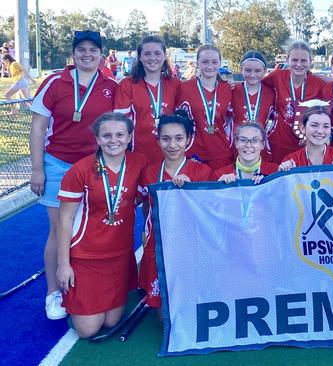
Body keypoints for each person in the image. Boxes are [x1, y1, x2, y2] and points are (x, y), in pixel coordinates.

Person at [29, 30, 118, 320]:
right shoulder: (55, 82)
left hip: (94, 165)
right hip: (57, 164)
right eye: (82, 49)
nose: (87, 54)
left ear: (101, 54)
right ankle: (53, 293)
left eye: (93, 49)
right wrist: (37, 169)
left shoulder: (111, 85)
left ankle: (84, 284)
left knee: (91, 227)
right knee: (59, 231)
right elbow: (38, 128)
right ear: (74, 53)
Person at [56, 113, 148, 338]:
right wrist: (63, 265)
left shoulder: (139, 162)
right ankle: (73, 305)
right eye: (106, 135)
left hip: (119, 254)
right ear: (97, 139)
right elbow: (65, 219)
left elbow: (147, 192)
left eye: (119, 134)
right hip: (86, 255)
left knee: (111, 322)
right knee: (88, 331)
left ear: (129, 137)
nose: (113, 140)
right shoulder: (81, 169)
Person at [139, 110, 213, 310]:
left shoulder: (202, 171)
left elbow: (208, 213)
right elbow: (145, 204)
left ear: (189, 139)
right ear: (158, 140)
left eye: (179, 138)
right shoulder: (149, 172)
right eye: (166, 139)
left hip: (191, 245)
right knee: (164, 315)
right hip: (159, 243)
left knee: (189, 307)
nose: (172, 145)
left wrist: (190, 192)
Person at [114, 35, 180, 163]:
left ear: (165, 56)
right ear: (139, 57)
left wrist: (220, 81)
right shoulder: (127, 85)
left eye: (157, 53)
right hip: (136, 157)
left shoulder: (175, 84)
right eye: (147, 54)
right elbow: (120, 124)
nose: (152, 58)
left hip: (169, 157)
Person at [263, 40, 327, 163]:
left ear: (310, 61)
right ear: (287, 60)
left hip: (306, 145)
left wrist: (315, 74)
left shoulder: (318, 84)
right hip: (278, 142)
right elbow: (254, 82)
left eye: (303, 61)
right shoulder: (277, 76)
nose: (299, 64)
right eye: (294, 60)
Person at [176, 45, 233, 170]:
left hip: (221, 152)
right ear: (197, 63)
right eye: (205, 62)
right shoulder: (183, 88)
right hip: (193, 153)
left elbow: (231, 121)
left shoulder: (229, 89)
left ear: (220, 63)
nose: (210, 66)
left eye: (214, 62)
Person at [230, 51, 275, 161]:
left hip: (260, 145)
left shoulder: (271, 92)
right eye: (248, 70)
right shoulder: (232, 90)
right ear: (241, 69)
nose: (252, 74)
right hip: (238, 145)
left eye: (257, 71)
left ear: (265, 71)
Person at [278, 105, 333, 170]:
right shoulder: (291, 160)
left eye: (326, 126)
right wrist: (285, 173)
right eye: (314, 125)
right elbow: (285, 185)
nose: (320, 131)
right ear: (302, 128)